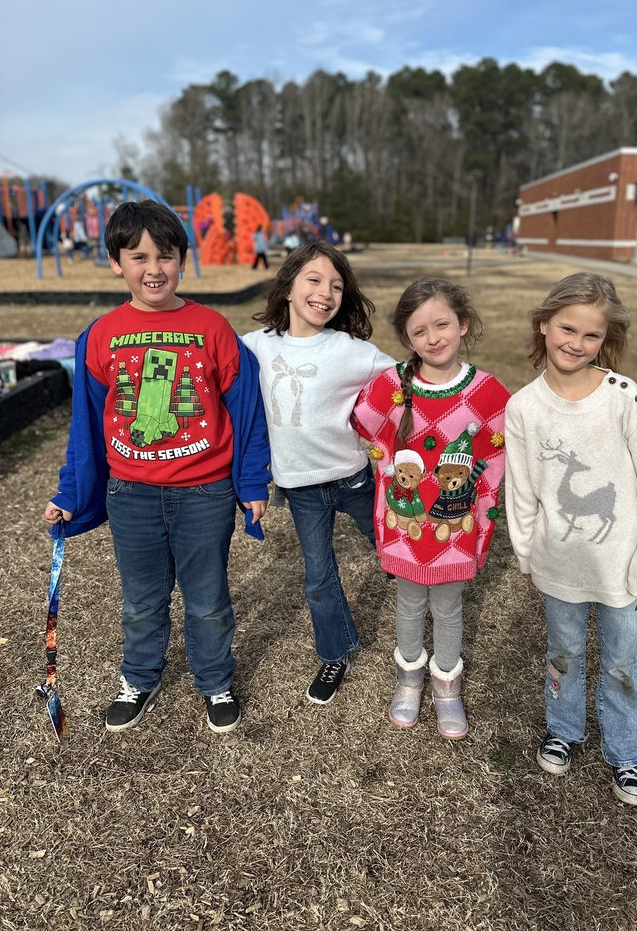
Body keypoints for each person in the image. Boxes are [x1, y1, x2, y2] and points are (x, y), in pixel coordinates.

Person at [44, 200, 271, 735]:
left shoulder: (213, 328)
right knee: (142, 600)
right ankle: (139, 678)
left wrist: (252, 482)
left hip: (205, 492)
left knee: (208, 598)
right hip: (132, 494)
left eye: (166, 256)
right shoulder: (100, 336)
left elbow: (246, 412)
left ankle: (214, 679)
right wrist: (70, 492)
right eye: (138, 256)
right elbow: (85, 427)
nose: (154, 269)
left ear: (183, 261)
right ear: (115, 263)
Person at [504, 272, 637, 805]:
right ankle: (563, 728)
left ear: (606, 340)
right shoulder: (524, 407)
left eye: (590, 335)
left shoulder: (623, 397)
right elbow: (523, 490)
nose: (576, 342)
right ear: (544, 324)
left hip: (620, 566)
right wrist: (526, 551)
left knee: (621, 660)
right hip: (559, 563)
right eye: (566, 328)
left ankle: (624, 751)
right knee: (565, 650)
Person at [353, 277, 510, 738]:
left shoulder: (487, 392)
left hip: (454, 529)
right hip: (406, 526)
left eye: (442, 325)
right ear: (406, 339)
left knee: (447, 608)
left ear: (463, 325)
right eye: (419, 331)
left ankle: (446, 686)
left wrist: (482, 510)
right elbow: (360, 424)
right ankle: (409, 680)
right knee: (407, 604)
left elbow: (501, 452)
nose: (433, 338)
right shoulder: (390, 387)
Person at [242, 241, 394, 705]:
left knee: (395, 552)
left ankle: (422, 608)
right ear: (287, 286)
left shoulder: (354, 351)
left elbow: (408, 384)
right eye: (313, 280)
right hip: (299, 489)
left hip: (352, 479)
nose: (325, 293)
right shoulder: (253, 348)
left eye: (336, 286)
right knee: (318, 577)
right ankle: (335, 651)